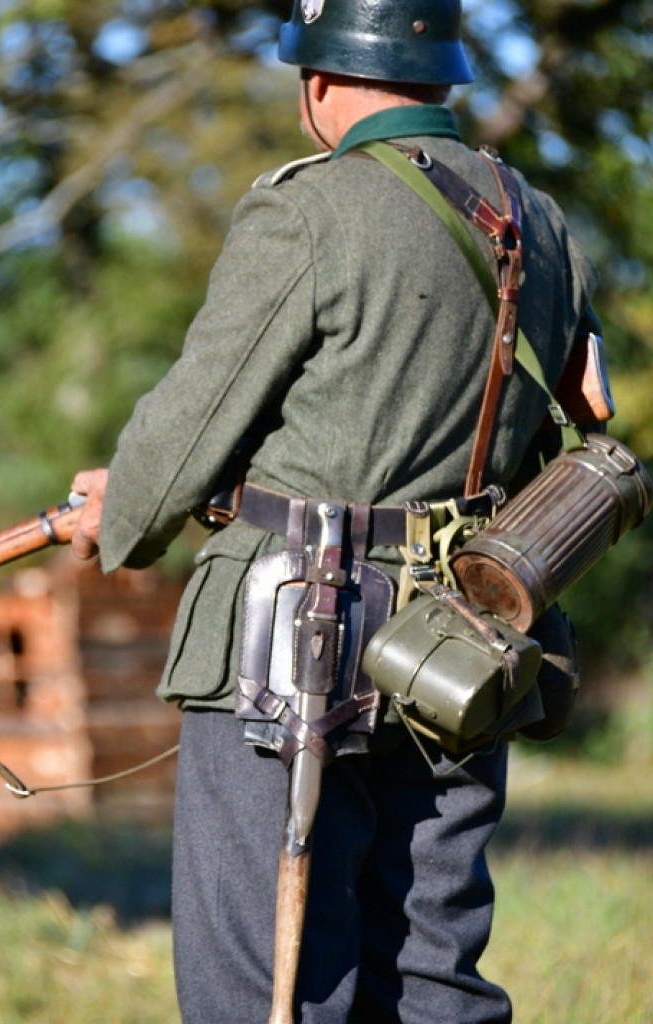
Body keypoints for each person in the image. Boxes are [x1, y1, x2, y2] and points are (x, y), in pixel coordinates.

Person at [70, 1, 601, 1021]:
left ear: (319, 84)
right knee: (433, 970)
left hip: (290, 641)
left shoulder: (307, 208)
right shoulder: (536, 218)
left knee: (266, 984)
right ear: (441, 71)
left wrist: (125, 506)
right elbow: (561, 426)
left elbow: (188, 429)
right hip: (462, 643)